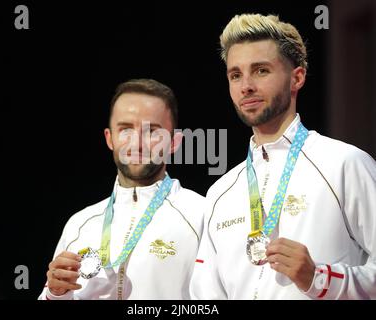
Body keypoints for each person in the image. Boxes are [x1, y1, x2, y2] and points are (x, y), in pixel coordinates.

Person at [190, 13, 376, 299]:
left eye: (261, 70)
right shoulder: (220, 193)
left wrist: (321, 279)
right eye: (235, 75)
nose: (246, 86)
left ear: (296, 77)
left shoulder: (344, 165)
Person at [39, 79, 204, 300]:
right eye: (126, 129)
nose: (136, 143)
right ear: (110, 138)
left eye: (151, 131)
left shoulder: (201, 215)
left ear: (174, 142)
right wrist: (56, 294)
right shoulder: (80, 224)